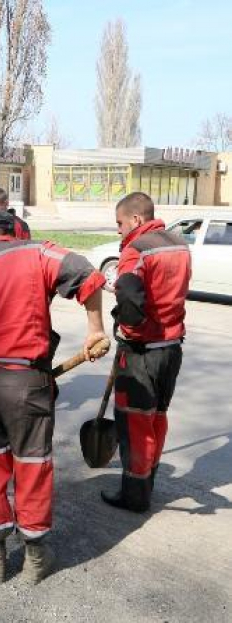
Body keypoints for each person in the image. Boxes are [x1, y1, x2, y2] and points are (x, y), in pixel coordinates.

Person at [0, 211, 106, 584]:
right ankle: (36, 558)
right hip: (26, 382)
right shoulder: (37, 253)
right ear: (11, 233)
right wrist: (96, 329)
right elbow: (87, 274)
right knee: (32, 466)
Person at [102, 192, 191, 512]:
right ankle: (148, 480)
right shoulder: (178, 244)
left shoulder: (135, 250)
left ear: (136, 220)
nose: (118, 230)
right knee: (157, 418)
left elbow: (127, 293)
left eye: (120, 223)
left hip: (142, 353)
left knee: (135, 423)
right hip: (171, 349)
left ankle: (135, 495)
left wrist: (129, 328)